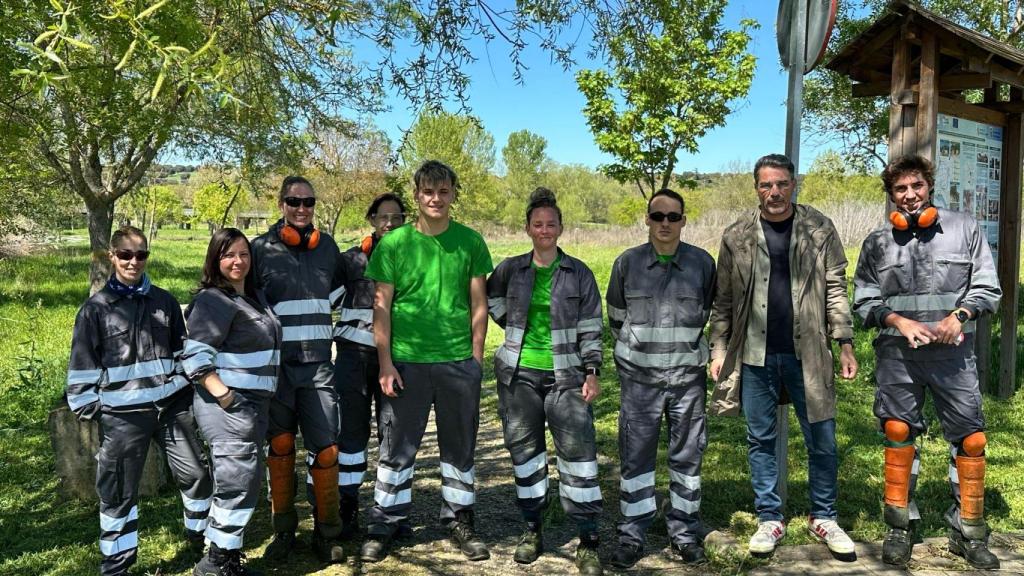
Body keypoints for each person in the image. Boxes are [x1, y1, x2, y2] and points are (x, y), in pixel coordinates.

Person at [853, 154, 1002, 569]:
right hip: (898, 356)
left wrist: (961, 316)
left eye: (916, 186)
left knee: (971, 440)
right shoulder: (876, 241)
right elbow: (863, 300)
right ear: (892, 196)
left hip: (953, 356)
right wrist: (896, 321)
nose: (910, 195)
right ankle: (899, 527)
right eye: (900, 189)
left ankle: (968, 533)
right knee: (899, 432)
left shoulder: (964, 228)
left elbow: (988, 288)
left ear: (929, 187)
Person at [708, 154, 858, 557]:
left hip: (808, 352)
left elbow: (836, 288)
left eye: (781, 184)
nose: (774, 192)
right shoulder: (737, 234)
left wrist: (844, 342)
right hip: (755, 354)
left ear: (794, 184)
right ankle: (769, 518)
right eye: (765, 185)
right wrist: (718, 349)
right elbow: (722, 300)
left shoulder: (818, 228)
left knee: (822, 438)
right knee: (760, 438)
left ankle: (824, 516)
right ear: (756, 188)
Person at [359, 160, 493, 562]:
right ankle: (386, 522)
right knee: (397, 449)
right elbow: (380, 308)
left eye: (444, 191)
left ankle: (458, 519)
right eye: (428, 192)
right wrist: (385, 363)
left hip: (457, 363)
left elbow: (479, 304)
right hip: (406, 364)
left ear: (453, 194)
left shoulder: (470, 242)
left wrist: (475, 359)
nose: (436, 198)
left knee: (459, 448)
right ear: (416, 195)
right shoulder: (394, 244)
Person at [67, 226, 213, 576]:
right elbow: (82, 364)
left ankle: (202, 541)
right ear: (112, 257)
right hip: (124, 416)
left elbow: (182, 351)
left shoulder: (163, 301)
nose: (134, 261)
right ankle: (117, 563)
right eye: (126, 255)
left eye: (141, 254)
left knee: (196, 475)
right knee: (118, 490)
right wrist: (92, 408)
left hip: (172, 410)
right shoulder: (95, 309)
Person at [487, 188, 604, 575]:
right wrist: (514, 330)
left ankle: (588, 539)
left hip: (566, 379)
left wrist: (592, 372)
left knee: (578, 455)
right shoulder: (511, 268)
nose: (544, 230)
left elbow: (590, 327)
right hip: (519, 376)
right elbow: (492, 300)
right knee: (526, 455)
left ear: (561, 228)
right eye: (537, 224)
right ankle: (532, 527)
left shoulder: (579, 273)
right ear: (527, 228)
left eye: (550, 224)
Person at [605, 188, 715, 569]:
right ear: (647, 220)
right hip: (640, 380)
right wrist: (637, 355)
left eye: (673, 216)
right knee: (635, 458)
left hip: (687, 379)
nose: (665, 223)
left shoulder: (703, 264)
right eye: (658, 216)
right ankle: (632, 533)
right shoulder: (627, 264)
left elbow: (711, 314)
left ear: (684, 220)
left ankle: (684, 533)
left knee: (687, 456)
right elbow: (616, 318)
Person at [251, 176, 346, 563]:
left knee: (326, 449)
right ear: (281, 204)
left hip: (319, 366)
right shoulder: (259, 249)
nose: (302, 208)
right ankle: (284, 531)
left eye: (308, 201)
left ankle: (328, 533)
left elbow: (339, 291)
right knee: (280, 446)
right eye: (294, 201)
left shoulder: (328, 247)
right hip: (277, 369)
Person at [183, 228, 281, 576]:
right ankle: (215, 563)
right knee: (236, 480)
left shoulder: (253, 296)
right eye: (228, 255)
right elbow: (194, 358)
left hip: (253, 404)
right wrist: (225, 397)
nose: (237, 261)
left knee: (244, 480)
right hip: (228, 406)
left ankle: (227, 555)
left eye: (243, 254)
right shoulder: (214, 301)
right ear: (215, 260)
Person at [331, 192, 408, 538]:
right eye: (383, 217)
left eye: (396, 217)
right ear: (372, 219)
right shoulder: (350, 261)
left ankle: (393, 513)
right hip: (353, 357)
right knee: (352, 434)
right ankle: (347, 508)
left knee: (395, 436)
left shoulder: (413, 259)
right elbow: (327, 300)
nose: (389, 223)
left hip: (398, 359)